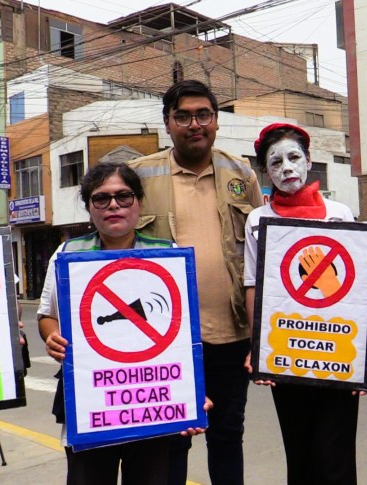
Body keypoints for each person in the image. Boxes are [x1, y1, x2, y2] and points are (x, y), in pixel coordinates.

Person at [37, 162, 211, 485]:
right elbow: (47, 315)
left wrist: (191, 394)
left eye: (123, 196)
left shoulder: (168, 255)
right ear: (89, 207)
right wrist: (52, 338)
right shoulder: (67, 253)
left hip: (152, 408)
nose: (113, 205)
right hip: (91, 406)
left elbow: (184, 333)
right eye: (101, 198)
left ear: (139, 203)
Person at [127, 79, 263, 485]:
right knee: (171, 442)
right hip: (167, 341)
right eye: (182, 116)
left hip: (232, 336)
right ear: (167, 124)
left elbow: (266, 252)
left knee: (227, 437)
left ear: (216, 121)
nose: (194, 124)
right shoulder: (138, 176)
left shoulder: (241, 173)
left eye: (203, 114)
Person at [242, 123, 367, 485]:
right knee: (299, 454)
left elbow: (359, 285)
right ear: (265, 171)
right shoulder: (259, 220)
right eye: (275, 162)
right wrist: (260, 349)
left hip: (337, 348)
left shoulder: (339, 214)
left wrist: (366, 353)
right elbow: (254, 284)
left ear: (308, 161)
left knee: (337, 458)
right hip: (288, 348)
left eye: (293, 158)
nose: (286, 168)